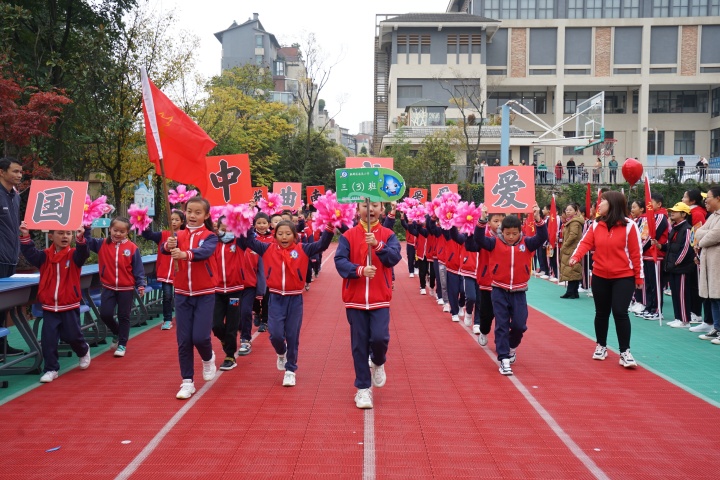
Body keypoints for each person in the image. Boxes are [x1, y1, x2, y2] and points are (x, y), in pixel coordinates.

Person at [240, 218, 334, 388]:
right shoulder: (267, 248)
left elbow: (322, 245)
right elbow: (248, 241)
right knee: (275, 334)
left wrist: (329, 228)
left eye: (288, 234)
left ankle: (290, 370)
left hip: (295, 299)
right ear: (274, 235)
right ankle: (281, 352)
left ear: (295, 235)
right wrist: (244, 222)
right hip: (276, 298)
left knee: (292, 335)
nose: (284, 237)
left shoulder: (303, 249)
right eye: (280, 233)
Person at [335, 201, 401, 409]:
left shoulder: (388, 235)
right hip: (355, 300)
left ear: (382, 210)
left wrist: (378, 245)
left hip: (380, 298)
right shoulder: (348, 236)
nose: (369, 209)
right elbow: (339, 261)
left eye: (374, 205)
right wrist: (360, 271)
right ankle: (363, 389)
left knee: (380, 338)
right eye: (365, 205)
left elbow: (394, 257)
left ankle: (379, 361)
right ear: (357, 210)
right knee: (359, 345)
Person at [570, 191, 643, 368]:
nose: (599, 204)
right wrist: (576, 257)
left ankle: (624, 351)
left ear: (613, 204)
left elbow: (636, 253)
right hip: (600, 275)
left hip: (624, 276)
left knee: (620, 311)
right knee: (601, 312)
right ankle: (601, 346)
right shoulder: (596, 225)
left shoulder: (630, 226)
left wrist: (639, 276)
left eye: (603, 201)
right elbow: (585, 243)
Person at [473, 206, 547, 375]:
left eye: (514, 233)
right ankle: (504, 359)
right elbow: (478, 239)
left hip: (519, 291)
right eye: (508, 234)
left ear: (519, 231)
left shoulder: (526, 243)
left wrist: (538, 219)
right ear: (502, 232)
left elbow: (542, 237)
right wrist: (482, 220)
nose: (511, 237)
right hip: (499, 290)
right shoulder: (494, 242)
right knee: (502, 324)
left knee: (520, 325)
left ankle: (512, 347)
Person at [19, 223, 91, 382]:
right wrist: (25, 235)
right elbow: (30, 253)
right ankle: (51, 369)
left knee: (73, 336)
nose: (65, 236)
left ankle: (83, 350)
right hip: (50, 306)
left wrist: (81, 238)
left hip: (69, 304)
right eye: (60, 233)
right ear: (51, 236)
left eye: (68, 233)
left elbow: (83, 253)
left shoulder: (74, 255)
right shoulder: (44, 256)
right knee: (48, 339)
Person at [162, 197, 218, 399]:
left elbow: (205, 252)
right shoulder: (177, 234)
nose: (192, 216)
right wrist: (169, 246)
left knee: (200, 337)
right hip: (182, 294)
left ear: (206, 215)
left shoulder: (210, 236)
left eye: (197, 212)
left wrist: (185, 254)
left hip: (204, 294)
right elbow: (164, 250)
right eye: (189, 211)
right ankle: (187, 381)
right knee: (184, 340)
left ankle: (208, 357)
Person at [85, 217, 146, 358]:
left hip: (126, 289)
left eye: (122, 231)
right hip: (108, 287)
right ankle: (117, 332)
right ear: (110, 229)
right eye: (115, 230)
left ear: (127, 232)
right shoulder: (101, 244)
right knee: (105, 314)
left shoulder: (132, 248)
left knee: (124, 316)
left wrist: (141, 284)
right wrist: (87, 228)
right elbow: (87, 241)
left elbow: (138, 269)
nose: (118, 234)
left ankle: (122, 344)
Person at [653, 203, 697, 328]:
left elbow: (686, 249)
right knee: (676, 293)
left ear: (683, 214)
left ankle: (684, 319)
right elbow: (671, 247)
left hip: (681, 268)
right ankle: (678, 317)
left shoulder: (687, 229)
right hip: (673, 267)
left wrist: (676, 263)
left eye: (676, 211)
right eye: (672, 211)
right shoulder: (675, 228)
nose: (672, 213)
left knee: (682, 294)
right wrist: (660, 246)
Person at [141, 210, 186, 330]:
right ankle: (167, 319)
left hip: (180, 272)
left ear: (182, 222)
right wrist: (144, 222)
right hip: (166, 272)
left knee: (180, 297)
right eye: (172, 219)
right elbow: (148, 235)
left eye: (177, 220)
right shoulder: (163, 235)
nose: (174, 222)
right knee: (167, 296)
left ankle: (182, 318)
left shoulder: (186, 235)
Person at [212, 216, 245, 371]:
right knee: (216, 324)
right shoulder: (213, 242)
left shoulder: (239, 242)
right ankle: (225, 340)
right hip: (216, 291)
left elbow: (247, 233)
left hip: (235, 291)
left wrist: (248, 212)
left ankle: (230, 355)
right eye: (223, 224)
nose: (226, 227)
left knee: (232, 323)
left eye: (230, 225)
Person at [0, 157, 25, 357]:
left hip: (11, 257)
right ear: (2, 172)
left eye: (20, 172)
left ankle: (3, 347)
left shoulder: (15, 195)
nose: (19, 175)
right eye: (15, 171)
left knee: (4, 306)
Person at [694, 186, 720, 342]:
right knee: (713, 295)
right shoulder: (713, 216)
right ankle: (716, 327)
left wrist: (702, 241)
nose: (706, 200)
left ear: (718, 198)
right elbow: (699, 231)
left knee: (718, 295)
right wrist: (705, 236)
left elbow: (715, 234)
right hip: (710, 260)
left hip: (716, 261)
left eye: (708, 197)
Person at [559, 204, 584, 299]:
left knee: (572, 269)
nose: (568, 211)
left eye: (570, 210)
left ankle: (571, 291)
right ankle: (573, 291)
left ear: (576, 211)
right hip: (570, 248)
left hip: (572, 249)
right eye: (567, 210)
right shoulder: (570, 221)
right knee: (572, 270)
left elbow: (573, 235)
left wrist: (565, 245)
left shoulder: (574, 222)